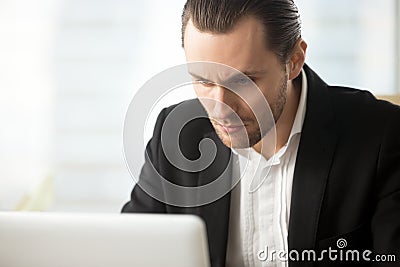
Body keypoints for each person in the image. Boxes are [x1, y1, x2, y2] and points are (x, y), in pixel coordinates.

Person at [122, 0, 400, 266]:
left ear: (294, 60)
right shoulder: (176, 134)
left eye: (243, 82)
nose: (221, 108)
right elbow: (130, 253)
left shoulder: (382, 137)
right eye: (203, 80)